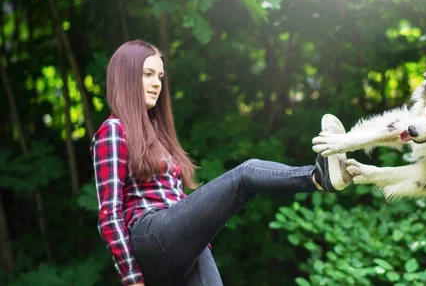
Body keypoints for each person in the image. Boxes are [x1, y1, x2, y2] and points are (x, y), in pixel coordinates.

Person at [91, 40, 352, 286]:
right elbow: (109, 216)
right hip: (148, 235)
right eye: (148, 74)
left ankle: (325, 176)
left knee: (203, 248)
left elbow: (175, 199)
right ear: (126, 77)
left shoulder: (157, 134)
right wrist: (133, 279)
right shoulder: (114, 130)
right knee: (245, 176)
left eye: (159, 77)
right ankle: (319, 176)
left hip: (173, 240)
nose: (157, 83)